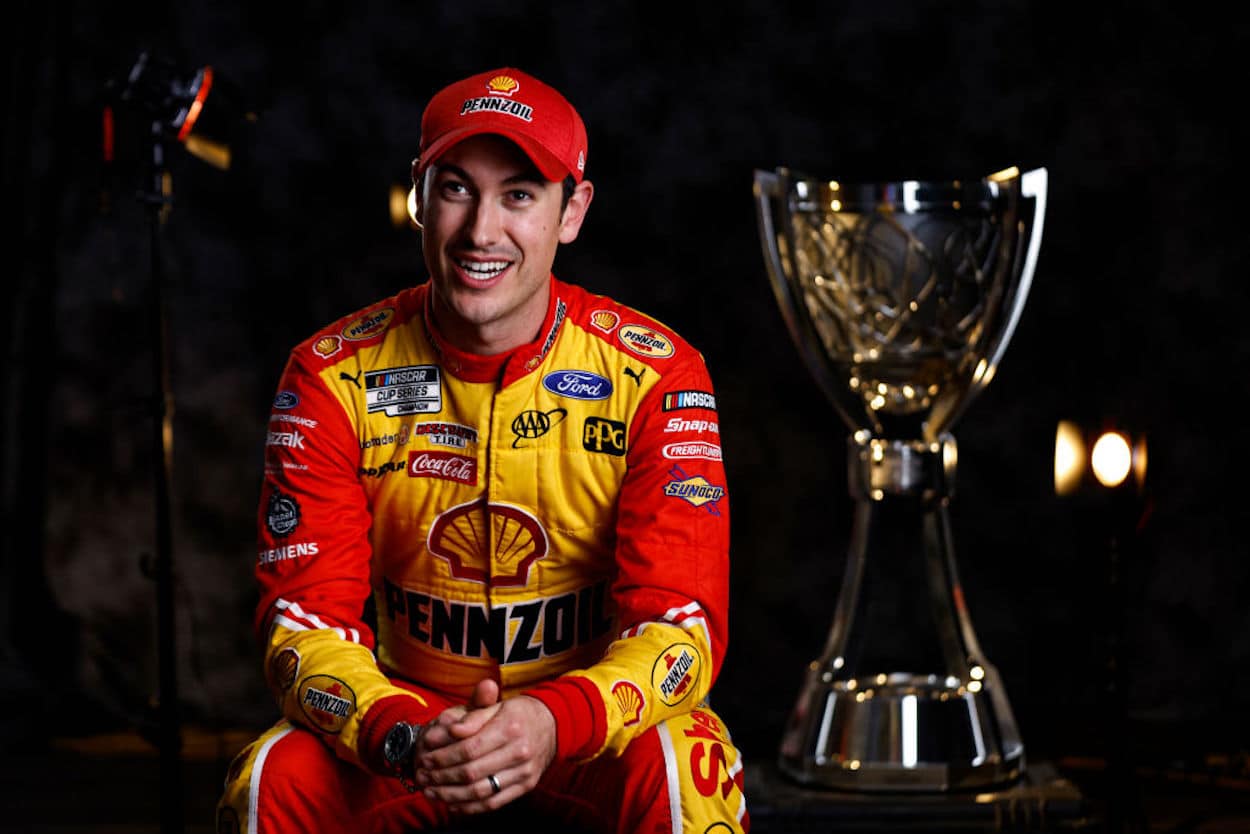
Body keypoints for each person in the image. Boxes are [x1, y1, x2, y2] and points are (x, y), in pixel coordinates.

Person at [216, 66, 749, 834]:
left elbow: (680, 631)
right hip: (413, 732)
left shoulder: (657, 373)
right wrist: (404, 734)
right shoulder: (331, 374)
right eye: (457, 188)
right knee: (275, 776)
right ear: (419, 198)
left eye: (520, 194)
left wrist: (551, 721)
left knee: (683, 767)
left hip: (584, 730)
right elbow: (302, 622)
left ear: (573, 211)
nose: (481, 232)